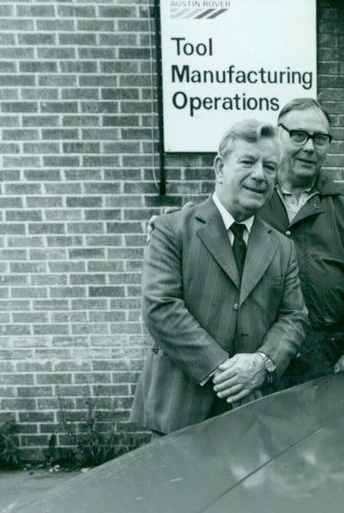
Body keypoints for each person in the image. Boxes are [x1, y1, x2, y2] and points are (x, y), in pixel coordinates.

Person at [130, 119, 308, 436]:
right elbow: (161, 307)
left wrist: (263, 363)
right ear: (219, 168)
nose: (259, 175)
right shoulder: (172, 230)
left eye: (269, 167)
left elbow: (293, 316)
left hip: (253, 415)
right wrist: (224, 371)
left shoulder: (282, 247)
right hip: (179, 415)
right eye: (247, 162)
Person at [259, 98, 344, 386]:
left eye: (320, 138)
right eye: (299, 135)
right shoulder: (253, 202)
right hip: (261, 364)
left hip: (329, 367)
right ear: (277, 135)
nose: (309, 147)